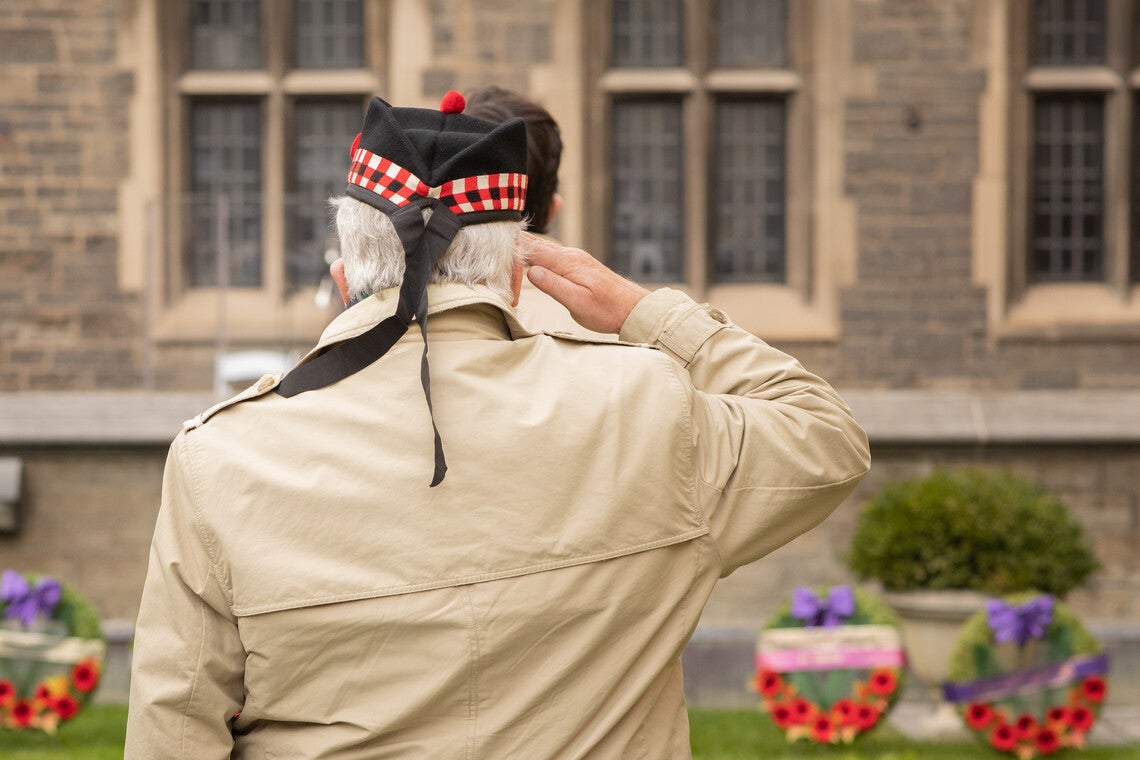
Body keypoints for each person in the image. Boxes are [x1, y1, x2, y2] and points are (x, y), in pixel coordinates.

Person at [125, 91, 870, 758]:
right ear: (518, 276)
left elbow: (174, 731)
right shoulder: (648, 409)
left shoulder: (218, 459)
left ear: (345, 280)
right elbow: (824, 438)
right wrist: (646, 312)